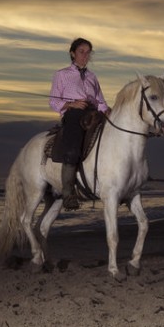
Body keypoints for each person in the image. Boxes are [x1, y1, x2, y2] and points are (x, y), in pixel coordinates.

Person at [49, 38, 110, 210]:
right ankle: (68, 194)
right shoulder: (61, 74)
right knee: (73, 149)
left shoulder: (92, 76)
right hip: (74, 114)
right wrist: (71, 104)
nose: (85, 55)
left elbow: (100, 101)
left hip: (93, 112)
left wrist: (107, 110)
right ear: (72, 53)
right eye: (82, 51)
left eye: (88, 52)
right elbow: (53, 101)